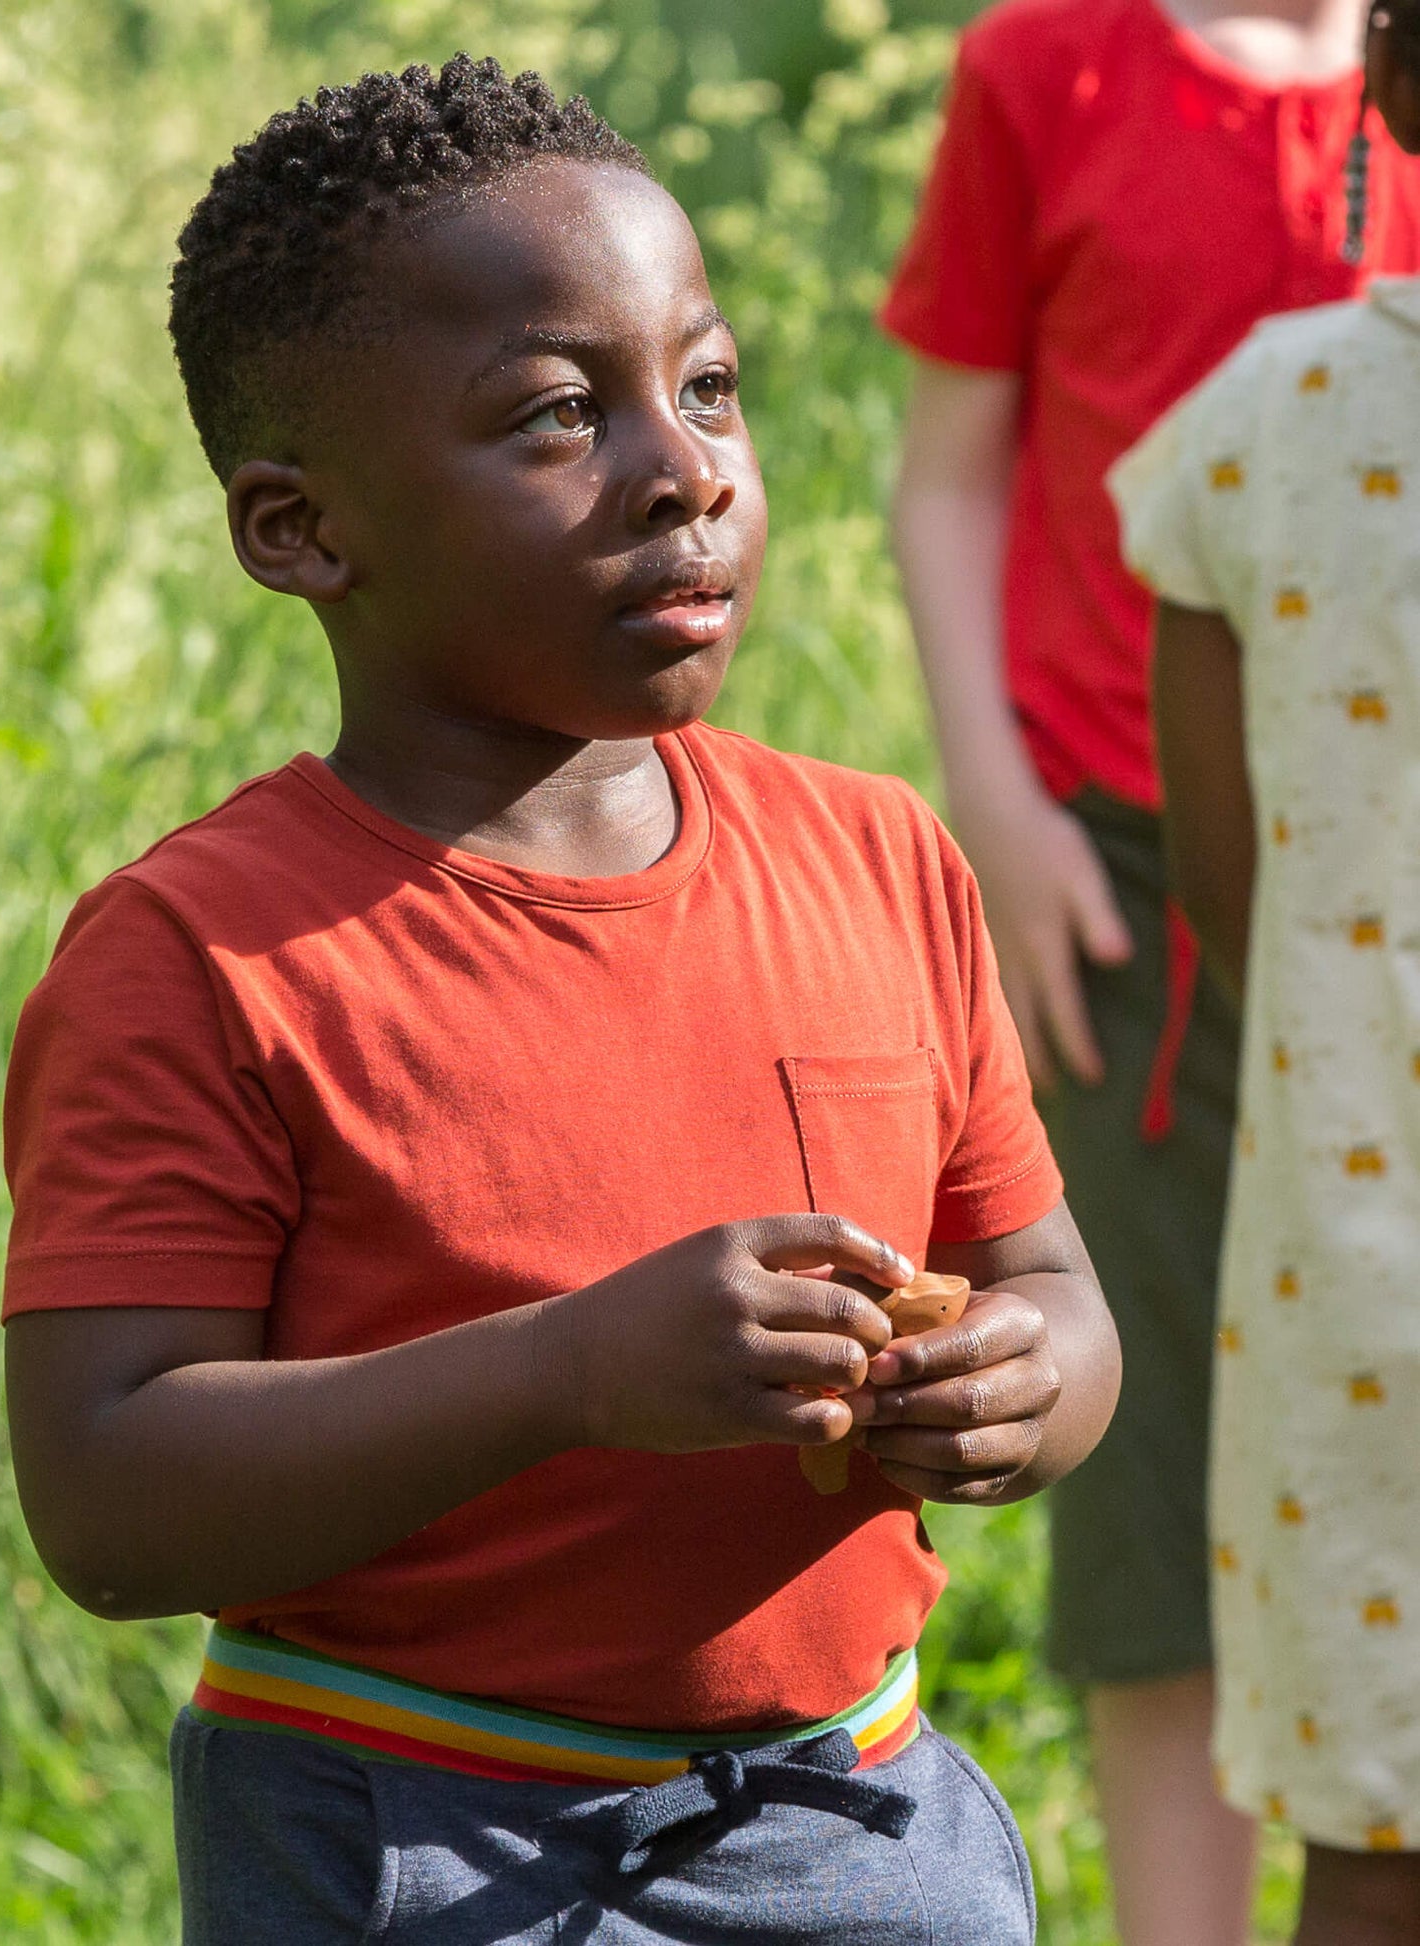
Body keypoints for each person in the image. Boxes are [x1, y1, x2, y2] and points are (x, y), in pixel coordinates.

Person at [0, 56, 1120, 1946]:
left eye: (705, 386)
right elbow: (108, 1498)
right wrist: (566, 1373)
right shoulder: (202, 952)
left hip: (866, 1818)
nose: (682, 468)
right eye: (552, 415)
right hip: (414, 1839)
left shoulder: (877, 859)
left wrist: (1023, 1391)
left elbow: (1049, 1286)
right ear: (298, 529)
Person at [881, 3, 1420, 1938]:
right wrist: (997, 804)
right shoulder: (1049, 65)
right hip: (1119, 871)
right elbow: (946, 469)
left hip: (1395, 855)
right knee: (1153, 1458)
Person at [1110, 9, 1420, 1939]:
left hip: (1360, 1255)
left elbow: (1224, 883)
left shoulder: (1265, 420)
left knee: (1375, 1844)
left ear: (1386, 80)